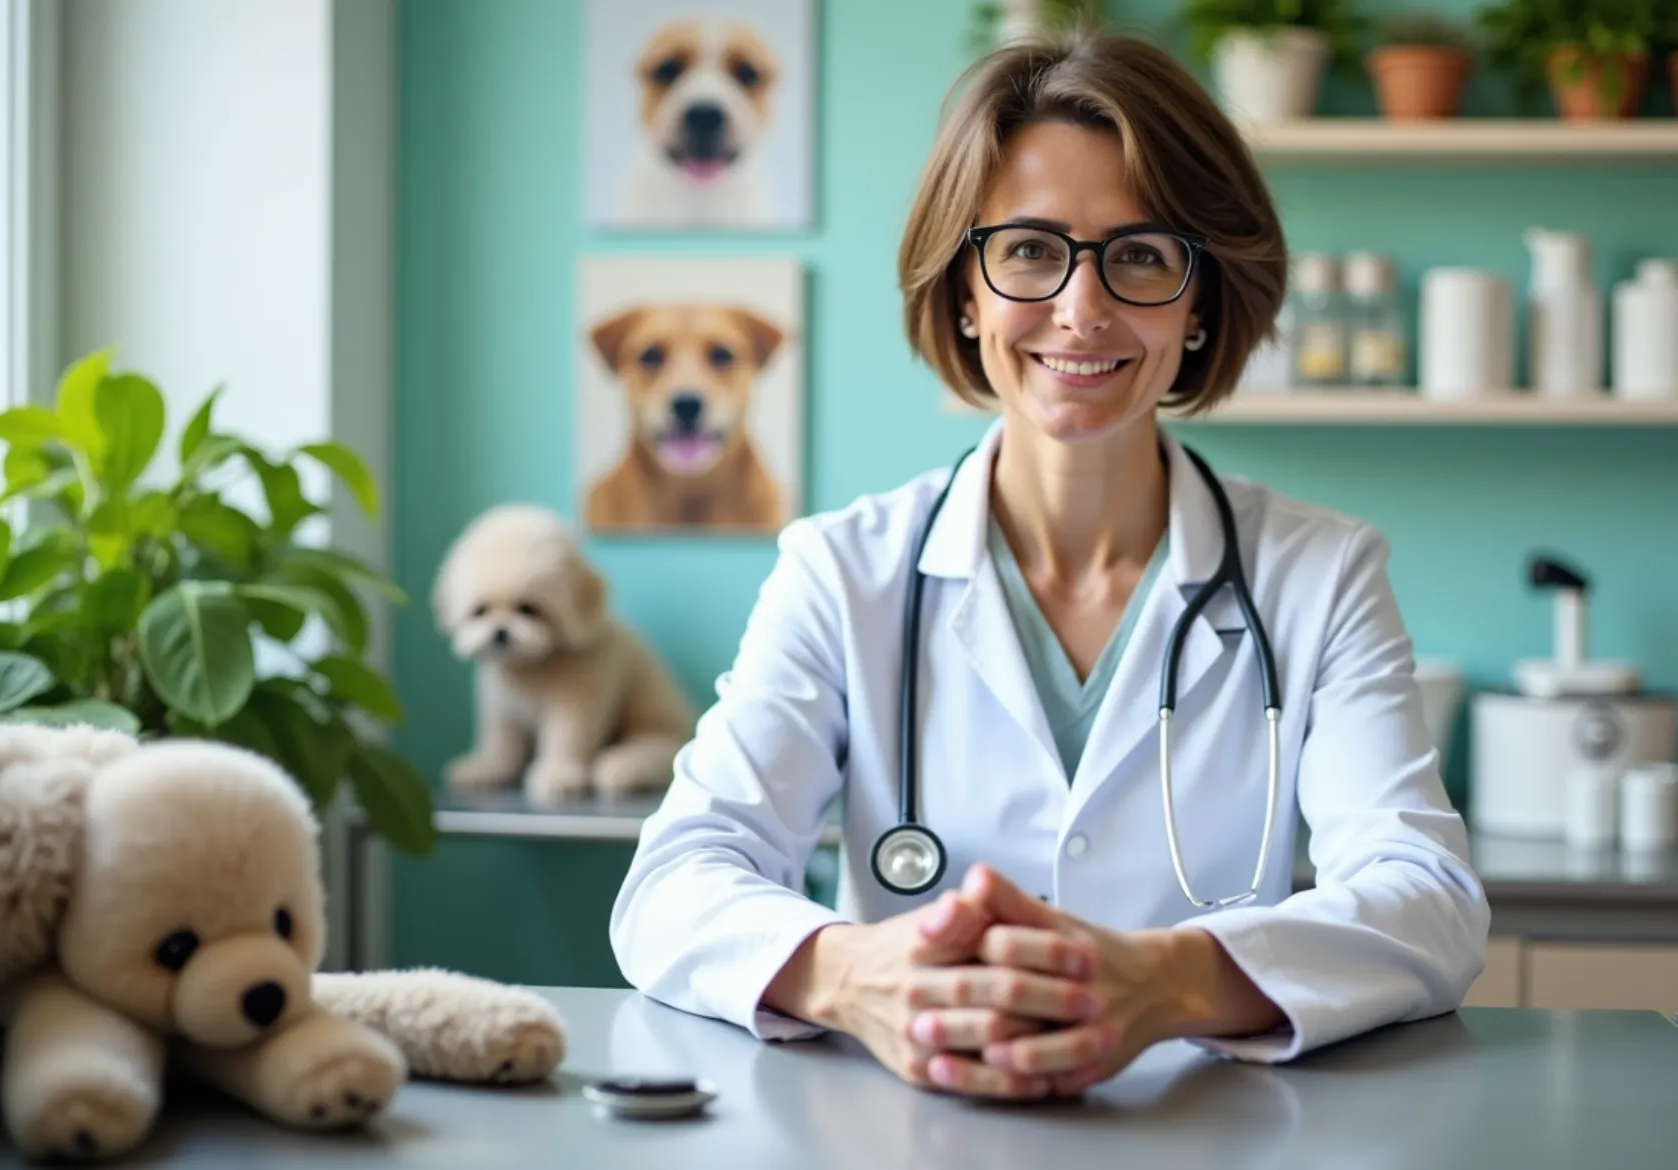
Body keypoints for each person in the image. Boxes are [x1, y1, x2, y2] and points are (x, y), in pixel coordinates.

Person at [609, 28, 1489, 1101]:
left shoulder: (1318, 574)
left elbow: (1428, 900)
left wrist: (1164, 981)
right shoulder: (842, 573)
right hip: (908, 1127)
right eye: (1028, 249)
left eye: (1141, 254)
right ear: (964, 290)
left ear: (1200, 302)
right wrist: (856, 974)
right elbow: (673, 882)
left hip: (1200, 1135)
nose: (1081, 308)